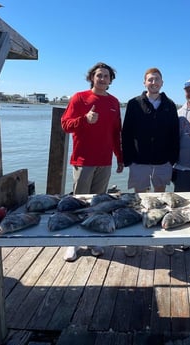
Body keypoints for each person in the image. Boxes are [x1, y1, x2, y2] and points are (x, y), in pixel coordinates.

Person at [61, 62, 124, 262]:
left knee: (99, 203)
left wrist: (119, 158)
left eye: (106, 76)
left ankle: (93, 238)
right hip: (83, 159)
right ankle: (73, 242)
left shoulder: (114, 102)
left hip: (105, 161)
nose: (102, 79)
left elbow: (116, 134)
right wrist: (84, 119)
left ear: (110, 80)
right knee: (78, 201)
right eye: (99, 75)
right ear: (92, 78)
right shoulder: (79, 98)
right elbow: (65, 125)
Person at [122, 67, 179, 256]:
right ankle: (137, 238)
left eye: (157, 80)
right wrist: (127, 158)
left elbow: (174, 134)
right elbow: (126, 133)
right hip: (139, 161)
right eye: (150, 80)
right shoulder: (134, 103)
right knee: (141, 201)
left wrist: (173, 158)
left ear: (162, 83)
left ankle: (164, 238)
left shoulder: (170, 105)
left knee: (160, 200)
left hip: (163, 161)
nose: (153, 83)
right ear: (144, 82)